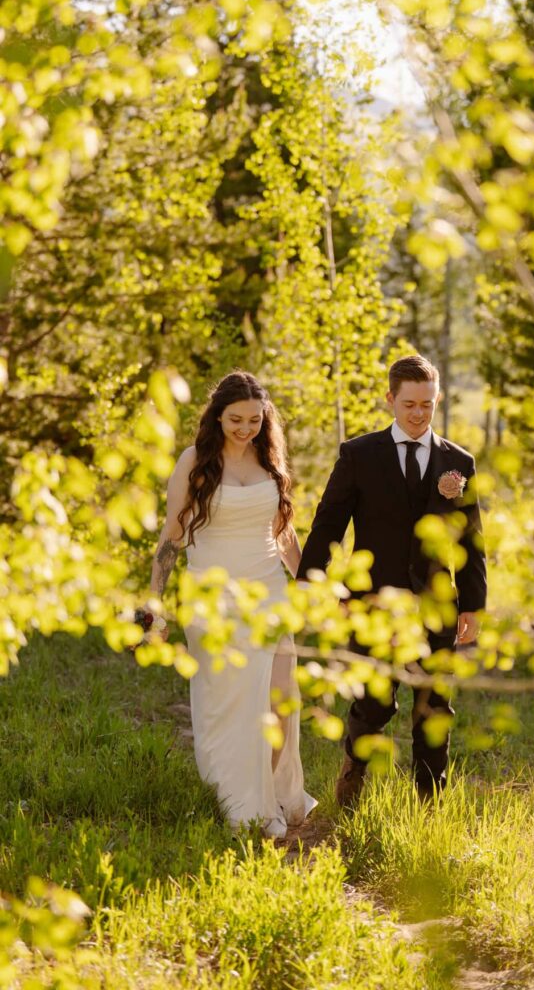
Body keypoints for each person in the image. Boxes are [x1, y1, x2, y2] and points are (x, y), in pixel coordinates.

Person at [297, 354, 486, 805]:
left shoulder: (458, 461)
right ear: (390, 400)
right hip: (373, 604)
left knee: (434, 705)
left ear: (436, 400)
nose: (419, 413)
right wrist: (318, 586)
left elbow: (472, 540)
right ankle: (354, 771)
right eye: (409, 404)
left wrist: (473, 605)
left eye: (427, 404)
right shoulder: (359, 455)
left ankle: (430, 802)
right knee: (376, 701)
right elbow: (328, 526)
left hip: (436, 603)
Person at [150, 371, 316, 837]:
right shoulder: (195, 462)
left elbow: (283, 533)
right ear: (217, 417)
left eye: (255, 420)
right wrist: (154, 604)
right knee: (232, 706)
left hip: (269, 593)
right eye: (236, 420)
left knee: (282, 702)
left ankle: (271, 793)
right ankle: (246, 802)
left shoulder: (270, 458)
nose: (246, 429)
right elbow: (172, 537)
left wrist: (306, 582)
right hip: (213, 598)